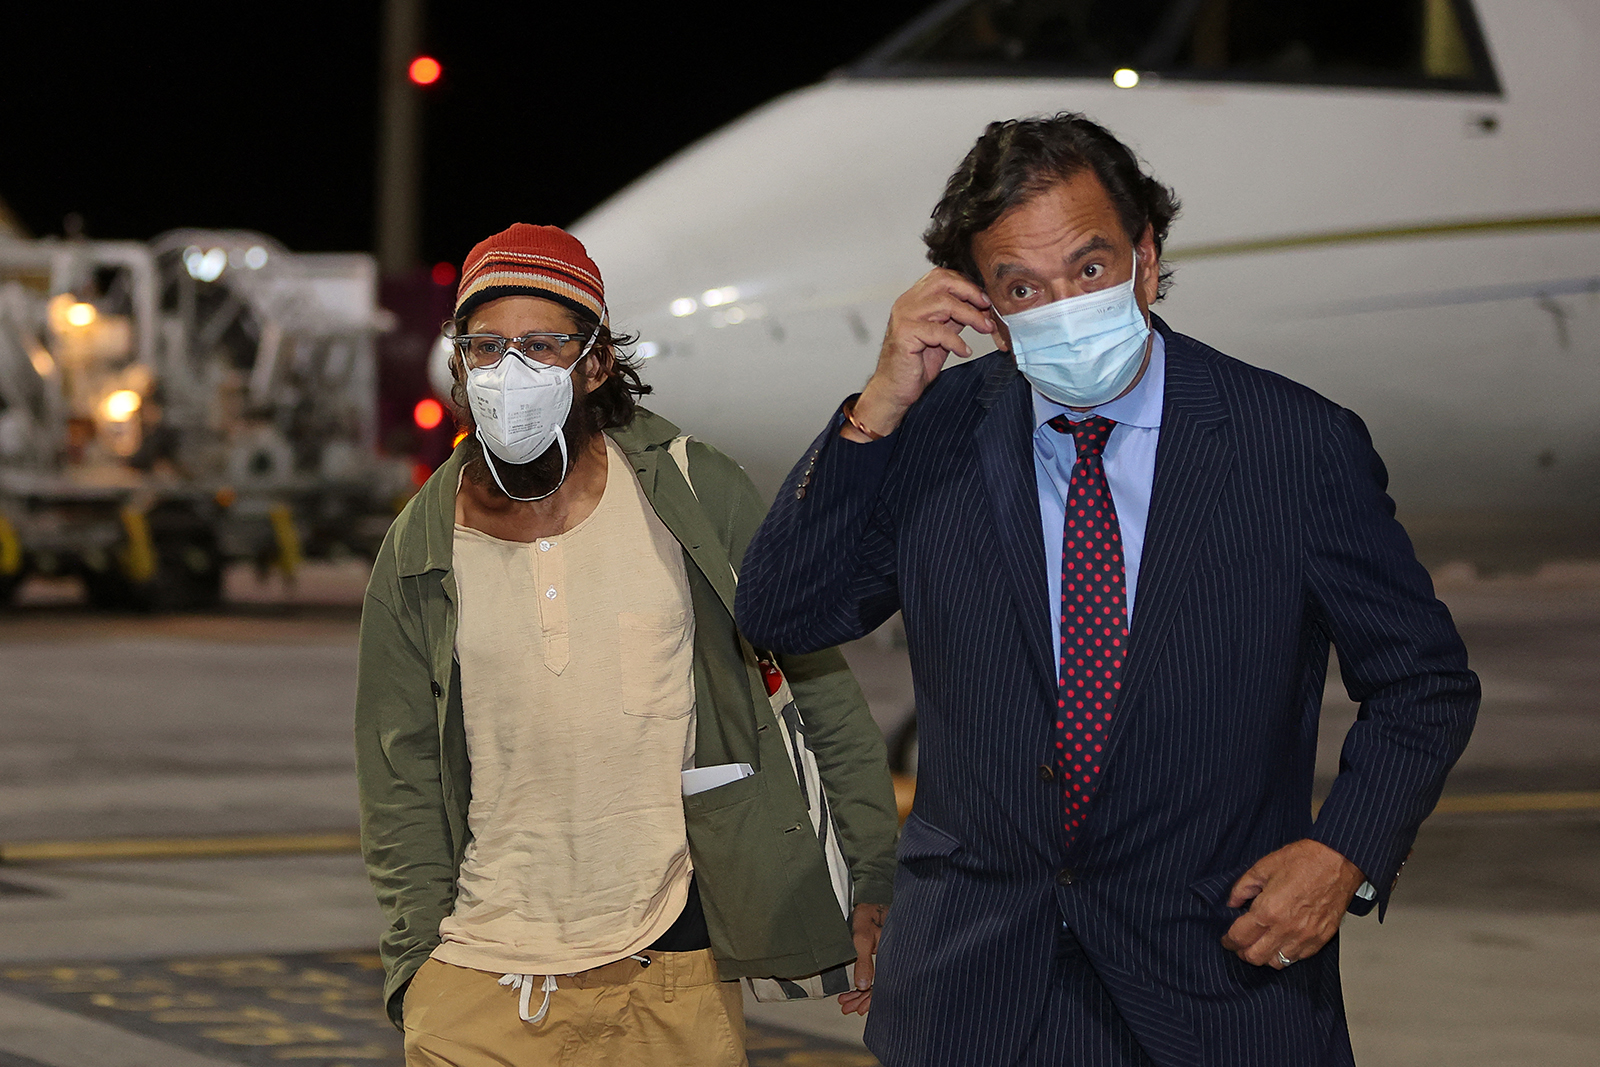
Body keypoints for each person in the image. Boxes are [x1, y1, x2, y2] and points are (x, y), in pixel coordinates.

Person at [733, 114, 1480, 1067]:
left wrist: (1347, 853)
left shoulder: (1292, 444)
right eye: (1023, 287)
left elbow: (1424, 682)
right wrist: (877, 405)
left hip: (1216, 984)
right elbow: (784, 613)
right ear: (985, 308)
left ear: (1148, 257)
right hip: (975, 993)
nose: (1064, 302)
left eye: (1089, 268)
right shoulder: (936, 432)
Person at [355, 223, 898, 1067]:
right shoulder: (418, 550)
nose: (512, 372)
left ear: (596, 362)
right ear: (459, 363)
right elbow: (399, 773)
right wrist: (416, 969)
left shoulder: (692, 490)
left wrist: (875, 880)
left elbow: (818, 688)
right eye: (487, 347)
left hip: (672, 971)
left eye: (542, 346)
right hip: (477, 976)